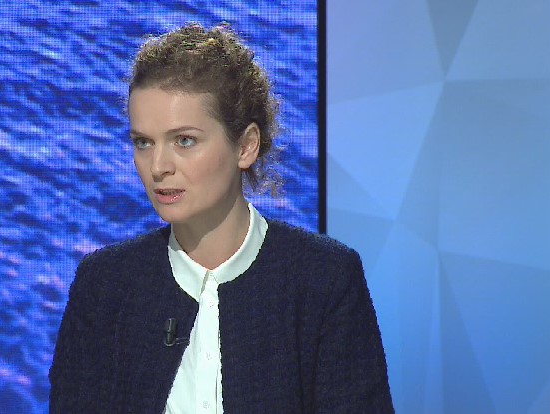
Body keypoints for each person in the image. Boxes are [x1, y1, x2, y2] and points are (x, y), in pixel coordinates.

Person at [49, 23, 393, 413]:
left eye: (184, 141)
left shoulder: (324, 280)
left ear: (246, 146)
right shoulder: (104, 286)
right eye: (143, 142)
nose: (158, 166)